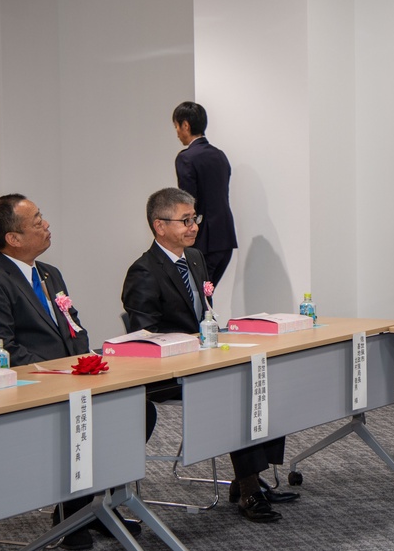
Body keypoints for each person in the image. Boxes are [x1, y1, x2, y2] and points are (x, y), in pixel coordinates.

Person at [0, 194, 140, 549]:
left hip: (72, 386)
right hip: (33, 391)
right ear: (13, 239)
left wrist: (86, 364)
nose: (47, 225)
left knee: (137, 413)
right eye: (37, 221)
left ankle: (89, 506)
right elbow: (1, 351)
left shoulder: (49, 273)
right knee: (92, 423)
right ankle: (75, 512)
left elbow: (75, 329)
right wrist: (61, 372)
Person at [122, 187, 296, 523]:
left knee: (264, 375)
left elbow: (205, 312)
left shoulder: (196, 258)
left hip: (204, 359)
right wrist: (193, 346)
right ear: (159, 226)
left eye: (194, 218)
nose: (194, 226)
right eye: (185, 220)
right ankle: (247, 490)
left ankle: (252, 475)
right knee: (234, 387)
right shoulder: (144, 271)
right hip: (168, 371)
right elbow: (144, 336)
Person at [172, 101, 238, 286]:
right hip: (225, 238)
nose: (177, 132)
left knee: (197, 297)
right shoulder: (220, 155)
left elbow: (188, 203)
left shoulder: (186, 158)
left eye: (176, 126)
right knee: (206, 295)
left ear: (186, 125)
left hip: (203, 241)